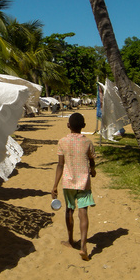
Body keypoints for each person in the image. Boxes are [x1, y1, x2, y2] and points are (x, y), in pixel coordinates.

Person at [52, 112, 96, 261]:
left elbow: (60, 164)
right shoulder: (88, 142)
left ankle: (71, 240)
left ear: (68, 125)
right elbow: (91, 160)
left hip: (68, 182)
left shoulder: (62, 141)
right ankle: (83, 245)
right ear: (83, 126)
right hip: (83, 182)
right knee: (83, 212)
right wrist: (93, 170)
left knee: (69, 210)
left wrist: (55, 185)